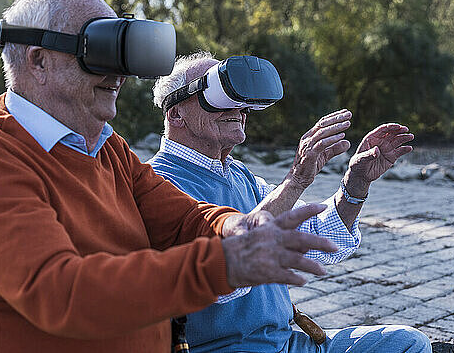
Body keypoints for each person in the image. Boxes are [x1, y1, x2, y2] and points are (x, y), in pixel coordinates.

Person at [0, 0, 340, 353]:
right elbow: (61, 293)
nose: (119, 74)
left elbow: (184, 218)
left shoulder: (107, 149)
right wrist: (225, 263)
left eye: (122, 55)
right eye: (101, 51)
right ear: (38, 61)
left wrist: (236, 228)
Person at [149, 52, 432, 352]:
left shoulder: (242, 177)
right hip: (227, 348)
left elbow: (320, 235)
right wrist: (295, 179)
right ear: (176, 113)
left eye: (241, 96)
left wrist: (356, 183)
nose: (239, 106)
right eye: (218, 92)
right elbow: (215, 276)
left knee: (407, 343)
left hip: (289, 342)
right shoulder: (157, 184)